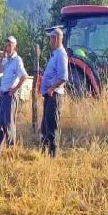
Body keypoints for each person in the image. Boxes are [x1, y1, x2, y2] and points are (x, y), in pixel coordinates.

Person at [0, 36, 28, 154]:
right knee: (0, 123)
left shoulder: (17, 60)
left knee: (9, 123)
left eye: (9, 45)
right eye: (6, 45)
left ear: (14, 46)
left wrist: (15, 89)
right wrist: (2, 57)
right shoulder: (7, 60)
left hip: (10, 96)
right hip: (3, 95)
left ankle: (10, 151)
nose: (7, 48)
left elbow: (23, 76)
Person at [40, 27, 68, 157]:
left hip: (54, 95)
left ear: (56, 39)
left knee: (52, 125)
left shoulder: (61, 55)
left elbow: (63, 77)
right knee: (46, 125)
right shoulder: (56, 54)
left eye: (51, 38)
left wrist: (51, 88)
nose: (50, 41)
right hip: (49, 95)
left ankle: (52, 155)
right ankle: (44, 153)